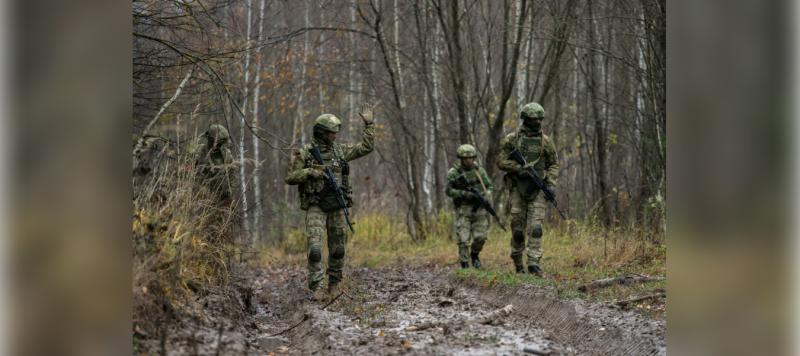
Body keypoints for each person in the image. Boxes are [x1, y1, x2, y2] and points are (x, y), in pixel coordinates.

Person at [285, 103, 376, 300]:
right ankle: (316, 286)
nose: (335, 136)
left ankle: (334, 284)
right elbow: (290, 177)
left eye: (335, 132)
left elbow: (366, 147)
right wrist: (310, 172)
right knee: (315, 249)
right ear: (322, 133)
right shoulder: (305, 153)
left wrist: (369, 125)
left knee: (338, 248)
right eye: (331, 133)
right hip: (316, 204)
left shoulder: (340, 151)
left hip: (337, 205)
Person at [497, 103, 559, 276]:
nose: (537, 122)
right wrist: (518, 168)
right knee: (517, 229)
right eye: (533, 119)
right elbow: (501, 161)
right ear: (526, 119)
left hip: (538, 190)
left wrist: (551, 184)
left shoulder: (546, 141)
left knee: (536, 227)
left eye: (539, 119)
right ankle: (517, 260)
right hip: (517, 189)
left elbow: (553, 164)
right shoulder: (513, 139)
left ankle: (533, 263)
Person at [446, 144, 493, 269]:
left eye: (471, 158)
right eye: (465, 158)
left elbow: (489, 186)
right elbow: (449, 191)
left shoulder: (479, 171)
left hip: (479, 209)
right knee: (463, 238)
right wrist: (464, 194)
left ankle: (474, 255)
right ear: (460, 159)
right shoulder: (454, 173)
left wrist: (486, 194)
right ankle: (465, 264)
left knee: (481, 237)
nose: (468, 160)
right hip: (463, 209)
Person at [196, 124, 235, 203]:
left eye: (220, 144)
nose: (218, 145)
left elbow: (232, 176)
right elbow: (191, 175)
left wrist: (229, 191)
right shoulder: (200, 153)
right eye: (217, 143)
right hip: (203, 199)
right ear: (211, 140)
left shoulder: (227, 155)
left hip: (223, 200)